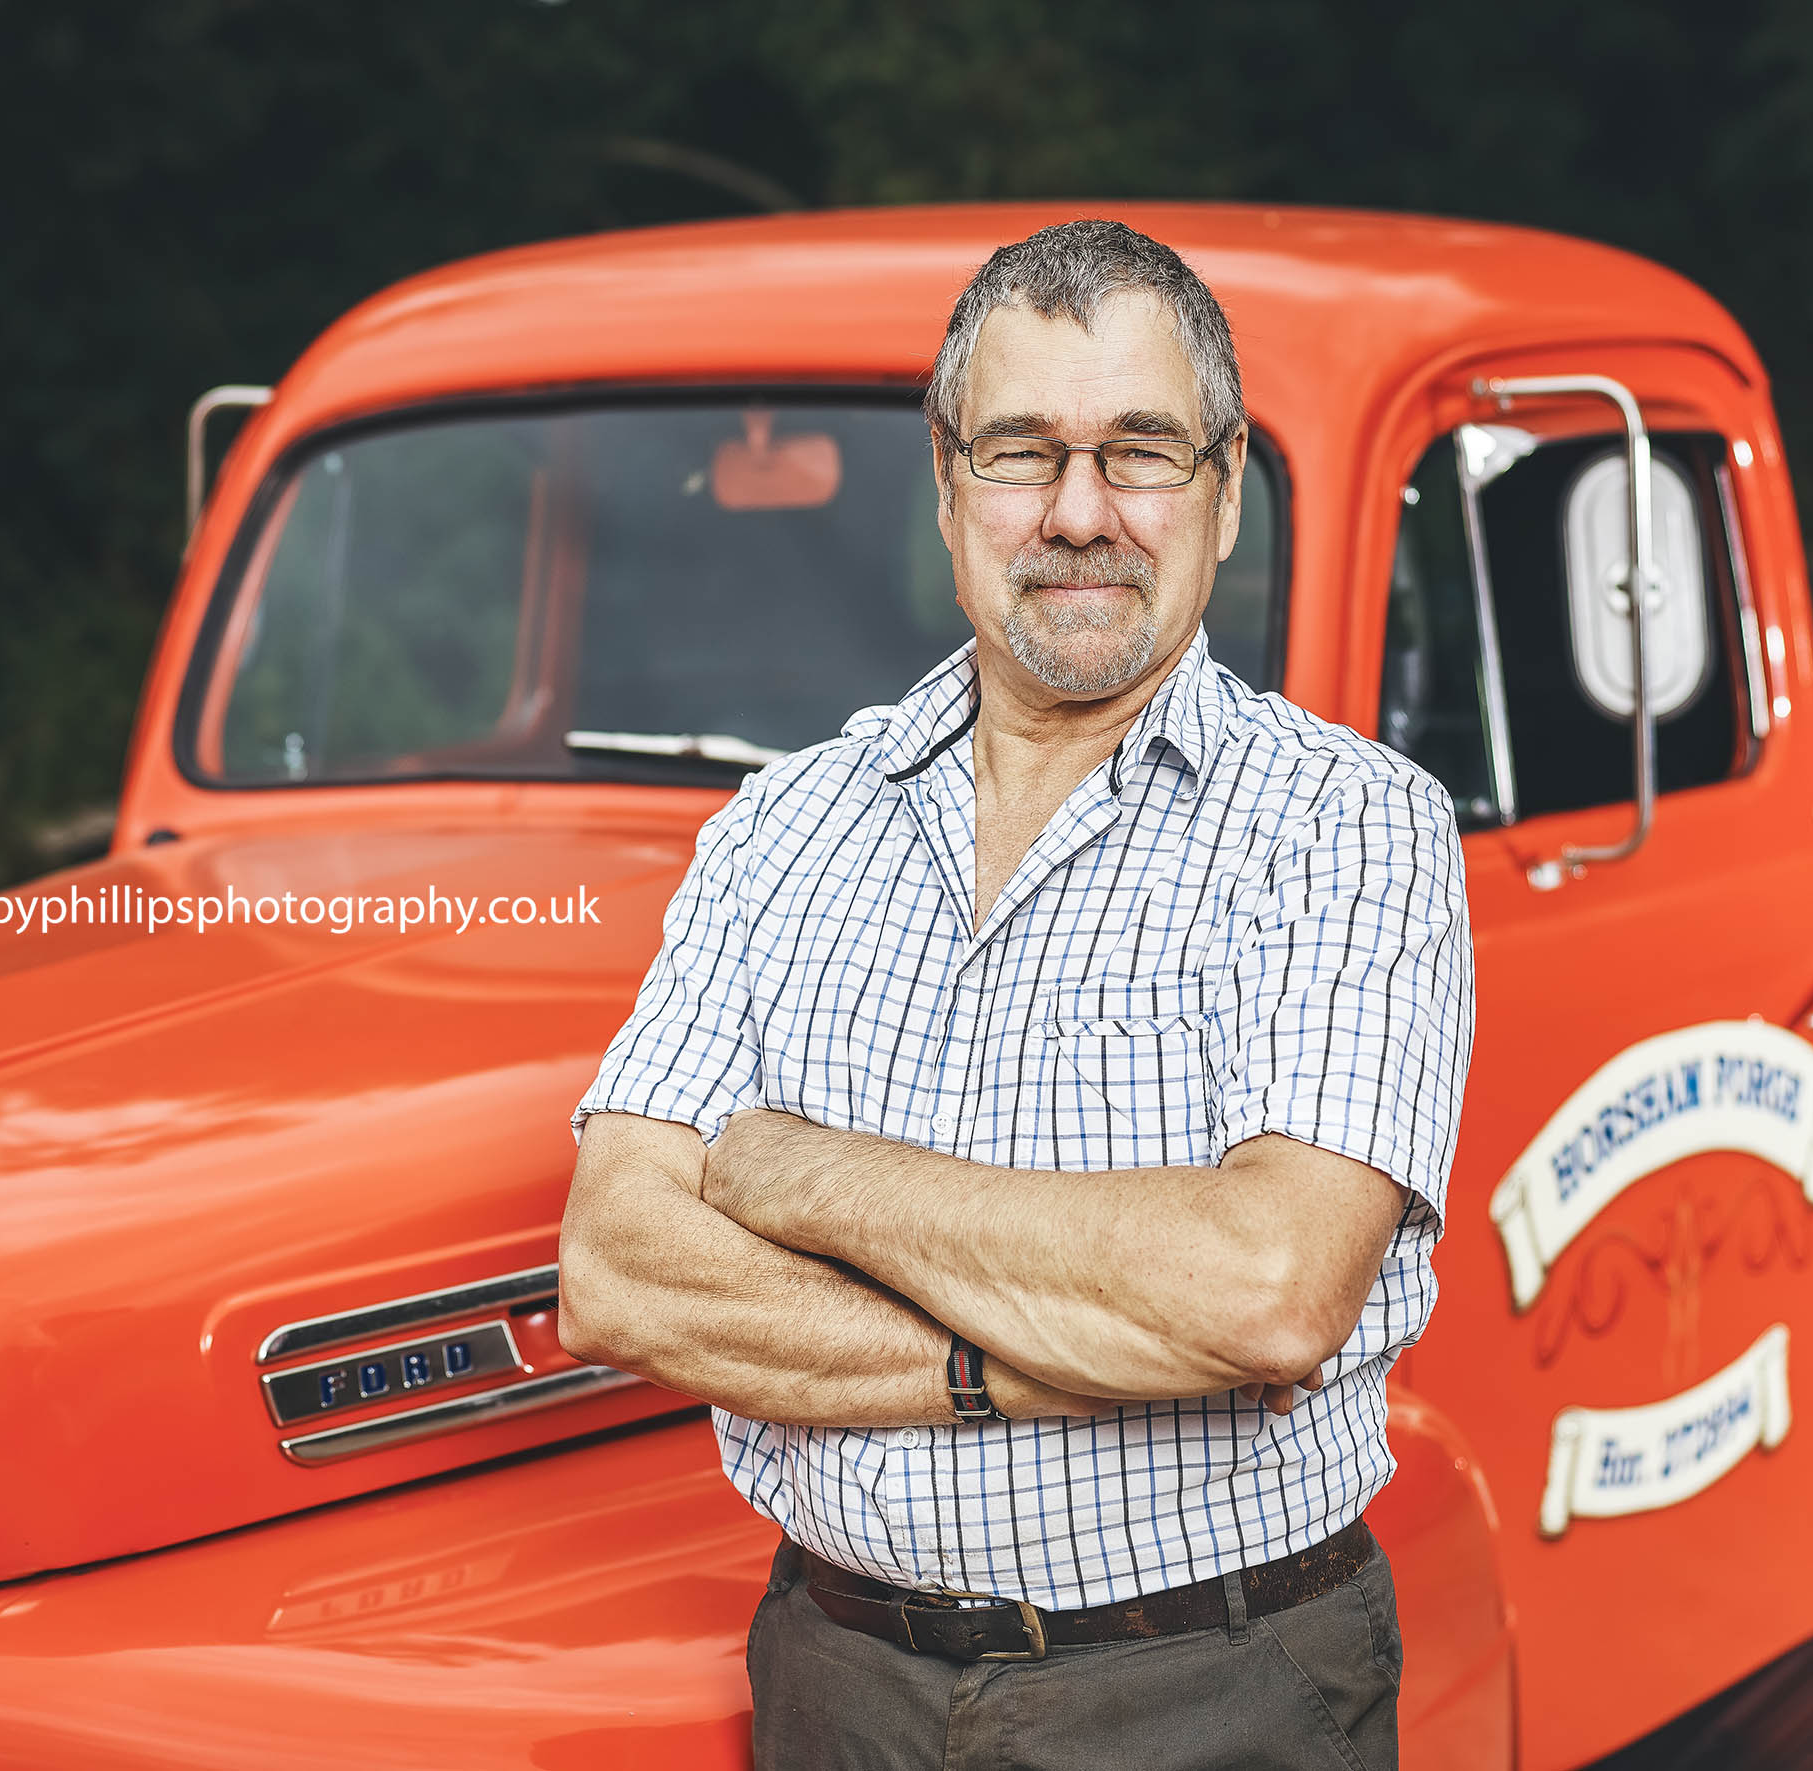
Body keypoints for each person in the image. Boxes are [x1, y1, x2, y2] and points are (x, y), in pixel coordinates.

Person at [558, 218, 1473, 1771]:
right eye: (1020, 452)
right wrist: (1024, 1361)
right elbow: (617, 1275)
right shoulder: (781, 827)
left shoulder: (1347, 825)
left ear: (1223, 490)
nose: (1077, 513)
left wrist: (800, 1174)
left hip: (1208, 1690)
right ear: (945, 482)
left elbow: (1267, 1288)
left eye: (1141, 452)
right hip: (834, 1679)